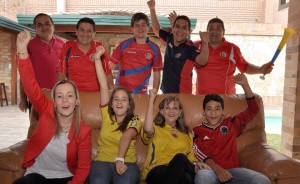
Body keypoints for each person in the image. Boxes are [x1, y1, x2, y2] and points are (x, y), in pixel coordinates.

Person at [14, 30, 91, 184]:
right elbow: (30, 87)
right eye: (59, 96)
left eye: (70, 95)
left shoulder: (84, 130)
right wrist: (22, 51)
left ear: (76, 101)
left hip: (65, 176)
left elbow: (83, 168)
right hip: (38, 174)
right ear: (54, 101)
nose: (65, 100)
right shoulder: (46, 110)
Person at [193, 73, 271, 184]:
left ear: (223, 113)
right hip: (209, 170)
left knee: (262, 180)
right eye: (209, 109)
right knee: (203, 178)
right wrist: (218, 170)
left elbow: (253, 109)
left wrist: (245, 85)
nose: (213, 112)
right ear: (203, 113)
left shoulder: (231, 123)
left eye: (217, 109)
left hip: (233, 172)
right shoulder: (197, 130)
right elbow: (198, 153)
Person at [88, 45, 142, 184]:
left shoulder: (135, 120)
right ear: (111, 103)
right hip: (102, 162)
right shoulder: (106, 114)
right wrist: (97, 59)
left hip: (127, 163)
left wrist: (120, 159)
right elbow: (103, 85)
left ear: (129, 104)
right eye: (116, 99)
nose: (119, 102)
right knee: (98, 182)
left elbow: (127, 136)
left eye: (124, 99)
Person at [142, 88, 210, 184]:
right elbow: (147, 129)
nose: (171, 111)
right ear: (161, 112)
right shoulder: (155, 128)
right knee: (180, 158)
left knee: (185, 177)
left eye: (175, 108)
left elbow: (190, 158)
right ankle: (192, 169)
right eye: (167, 108)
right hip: (157, 170)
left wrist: (196, 163)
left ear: (179, 113)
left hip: (180, 172)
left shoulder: (187, 134)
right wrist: (151, 99)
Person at [194, 17, 273, 94]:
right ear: (207, 31)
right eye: (211, 28)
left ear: (223, 32)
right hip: (202, 98)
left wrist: (260, 70)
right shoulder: (197, 46)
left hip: (227, 99)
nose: (214, 31)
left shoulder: (232, 48)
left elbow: (244, 67)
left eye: (218, 28)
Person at [147, 0, 209, 94]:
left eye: (184, 28)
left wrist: (205, 43)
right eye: (177, 26)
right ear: (173, 28)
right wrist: (152, 9)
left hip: (182, 95)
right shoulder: (170, 38)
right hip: (166, 92)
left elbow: (202, 61)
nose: (180, 30)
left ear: (188, 32)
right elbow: (156, 29)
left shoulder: (190, 47)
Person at [19, 13, 65, 114]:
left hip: (61, 97)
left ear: (53, 26)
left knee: (60, 128)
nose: (44, 27)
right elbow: (23, 75)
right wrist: (23, 99)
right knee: (39, 128)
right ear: (35, 28)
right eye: (39, 25)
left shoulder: (63, 44)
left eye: (47, 24)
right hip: (37, 98)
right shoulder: (28, 46)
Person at [109, 12, 163, 94]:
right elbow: (110, 67)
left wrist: (155, 90)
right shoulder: (123, 45)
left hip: (142, 94)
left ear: (148, 27)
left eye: (143, 25)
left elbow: (157, 73)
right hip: (121, 93)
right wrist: (110, 86)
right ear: (132, 28)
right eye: (136, 25)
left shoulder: (155, 49)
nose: (140, 28)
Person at [57, 17, 113, 92]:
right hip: (73, 96)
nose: (85, 34)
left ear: (94, 34)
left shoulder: (100, 47)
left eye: (89, 31)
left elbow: (107, 72)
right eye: (82, 30)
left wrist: (110, 93)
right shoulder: (67, 46)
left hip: (96, 95)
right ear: (76, 32)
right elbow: (61, 73)